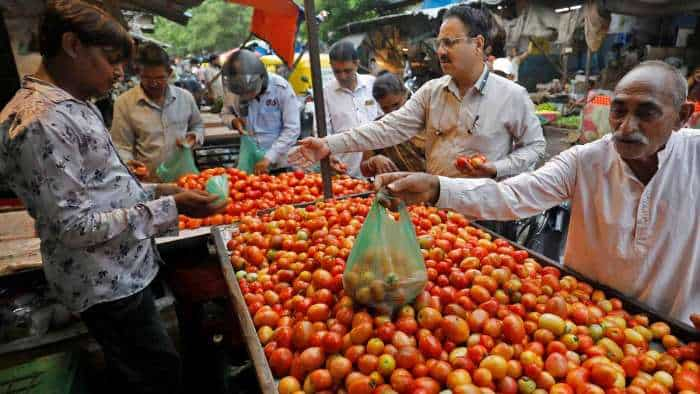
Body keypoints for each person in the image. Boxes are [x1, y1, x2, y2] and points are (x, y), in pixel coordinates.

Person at [0, 1, 226, 393]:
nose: (119, 72)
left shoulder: (73, 105)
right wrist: (171, 207)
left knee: (154, 365)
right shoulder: (42, 122)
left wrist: (163, 190)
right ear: (72, 45)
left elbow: (102, 188)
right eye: (110, 59)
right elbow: (75, 226)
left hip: (122, 270)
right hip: (104, 281)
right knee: (154, 374)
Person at [374, 61, 700, 327]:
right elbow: (513, 195)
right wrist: (437, 188)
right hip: (586, 317)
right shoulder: (586, 160)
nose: (626, 126)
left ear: (683, 116)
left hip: (676, 331)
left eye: (646, 113)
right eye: (618, 110)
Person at [289, 4, 545, 180]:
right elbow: (386, 129)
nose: (441, 51)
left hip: (488, 212)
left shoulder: (513, 96)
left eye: (449, 43)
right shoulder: (431, 93)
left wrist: (496, 169)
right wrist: (327, 144)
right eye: (439, 43)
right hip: (437, 211)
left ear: (477, 44)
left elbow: (535, 147)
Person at [111, 43, 204, 180]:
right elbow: (121, 145)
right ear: (139, 73)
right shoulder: (124, 103)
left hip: (185, 180)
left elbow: (198, 125)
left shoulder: (185, 98)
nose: (154, 83)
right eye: (147, 78)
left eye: (160, 78)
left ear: (170, 73)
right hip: (149, 183)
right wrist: (129, 164)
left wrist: (194, 137)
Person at [220, 49, 300, 174]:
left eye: (249, 92)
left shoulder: (280, 89)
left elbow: (292, 128)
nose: (246, 97)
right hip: (249, 159)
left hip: (279, 162)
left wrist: (269, 157)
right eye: (242, 94)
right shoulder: (233, 90)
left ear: (262, 79)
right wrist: (233, 121)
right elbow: (225, 113)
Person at [318, 41, 382, 177]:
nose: (342, 76)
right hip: (344, 170)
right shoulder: (326, 93)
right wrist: (327, 155)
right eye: (337, 71)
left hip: (377, 166)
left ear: (356, 64)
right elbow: (322, 132)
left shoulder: (372, 84)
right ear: (331, 67)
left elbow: (385, 120)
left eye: (347, 71)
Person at [360, 71, 426, 176]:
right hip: (397, 188)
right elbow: (364, 170)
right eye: (385, 108)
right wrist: (374, 161)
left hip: (432, 187)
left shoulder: (426, 119)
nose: (392, 112)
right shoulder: (378, 128)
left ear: (405, 94)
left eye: (396, 105)